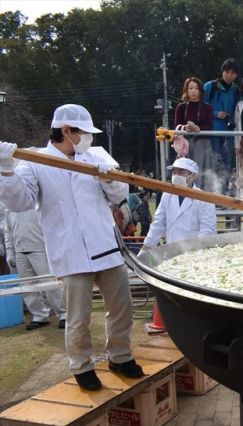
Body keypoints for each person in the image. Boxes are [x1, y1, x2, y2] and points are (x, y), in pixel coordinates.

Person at [0, 104, 144, 390]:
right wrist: (6, 172)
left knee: (121, 307)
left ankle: (120, 355)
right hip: (70, 252)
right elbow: (21, 202)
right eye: (84, 133)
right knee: (78, 317)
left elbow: (118, 196)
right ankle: (81, 366)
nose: (88, 138)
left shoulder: (96, 157)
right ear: (67, 131)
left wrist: (109, 177)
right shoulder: (35, 162)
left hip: (104, 244)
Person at [4, 207, 66, 329]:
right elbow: (8, 231)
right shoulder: (10, 207)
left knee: (50, 283)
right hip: (20, 251)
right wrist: (10, 252)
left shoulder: (37, 203)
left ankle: (64, 313)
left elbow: (52, 226)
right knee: (27, 285)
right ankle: (39, 315)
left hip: (40, 248)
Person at [141, 157, 216, 253]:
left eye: (181, 172)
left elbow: (208, 231)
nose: (176, 175)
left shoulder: (204, 199)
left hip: (195, 254)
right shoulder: (167, 195)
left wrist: (194, 253)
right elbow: (158, 224)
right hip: (170, 251)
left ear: (192, 175)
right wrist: (145, 248)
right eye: (174, 172)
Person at [203, 58, 241, 195]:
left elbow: (239, 110)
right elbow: (201, 107)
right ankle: (211, 195)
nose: (229, 75)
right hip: (212, 133)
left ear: (236, 75)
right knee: (212, 165)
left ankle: (223, 195)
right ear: (222, 72)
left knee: (227, 166)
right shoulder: (210, 87)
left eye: (233, 73)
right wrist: (216, 113)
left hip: (229, 134)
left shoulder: (237, 90)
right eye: (227, 72)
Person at [175, 77, 214, 190]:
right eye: (190, 88)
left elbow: (209, 126)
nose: (193, 91)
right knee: (185, 172)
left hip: (203, 143)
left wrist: (198, 128)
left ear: (201, 91)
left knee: (201, 172)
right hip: (185, 145)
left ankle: (202, 198)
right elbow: (177, 125)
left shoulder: (208, 107)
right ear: (186, 90)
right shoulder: (181, 107)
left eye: (196, 88)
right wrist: (185, 127)